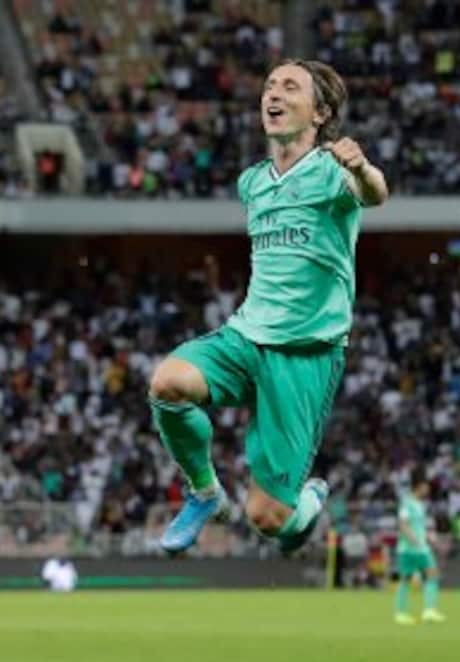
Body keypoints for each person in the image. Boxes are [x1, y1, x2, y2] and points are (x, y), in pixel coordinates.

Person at [148, 59, 389, 555]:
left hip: (305, 354)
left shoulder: (333, 171)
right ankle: (205, 492)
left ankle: (308, 501)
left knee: (268, 519)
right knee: (168, 383)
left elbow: (375, 194)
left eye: (289, 87)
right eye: (269, 86)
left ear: (320, 113)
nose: (273, 95)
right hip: (247, 335)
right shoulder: (252, 182)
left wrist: (361, 168)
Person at [394, 467, 446, 625]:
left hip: (420, 547)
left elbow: (419, 526)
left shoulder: (419, 504)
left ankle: (425, 611)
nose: (428, 489)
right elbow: (403, 524)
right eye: (426, 485)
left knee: (429, 575)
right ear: (419, 486)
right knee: (411, 578)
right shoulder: (407, 502)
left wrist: (430, 539)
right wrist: (415, 540)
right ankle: (405, 613)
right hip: (410, 548)